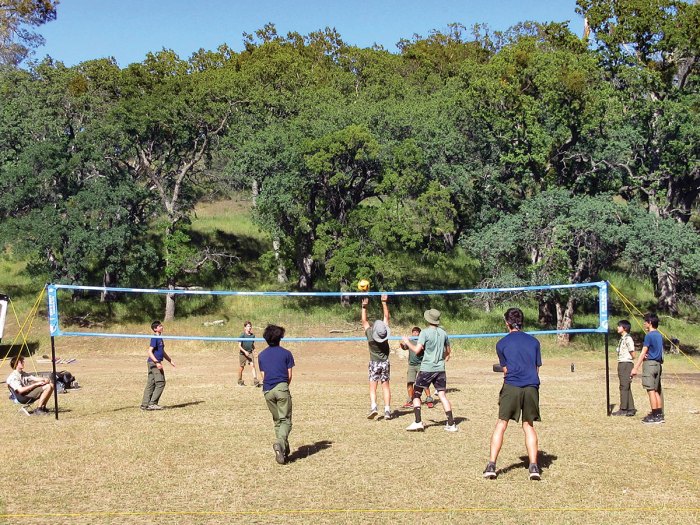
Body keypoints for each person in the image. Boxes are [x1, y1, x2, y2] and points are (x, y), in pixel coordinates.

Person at [483, 308, 542, 481]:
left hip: (512, 386)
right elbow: (536, 369)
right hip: (531, 386)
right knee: (528, 425)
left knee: (501, 424)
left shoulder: (502, 343)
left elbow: (506, 370)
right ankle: (533, 467)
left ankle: (491, 465)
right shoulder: (534, 342)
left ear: (507, 323)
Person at [401, 308, 457, 432]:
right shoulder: (443, 333)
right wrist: (442, 358)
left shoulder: (424, 333)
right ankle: (451, 423)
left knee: (416, 394)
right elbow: (448, 352)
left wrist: (407, 342)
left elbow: (416, 350)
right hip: (440, 369)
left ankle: (418, 422)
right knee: (442, 395)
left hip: (427, 368)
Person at [257, 324, 295, 465]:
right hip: (281, 387)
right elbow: (289, 375)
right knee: (286, 421)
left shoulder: (261, 356)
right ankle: (280, 443)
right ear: (281, 337)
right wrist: (283, 388)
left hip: (267, 390)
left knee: (277, 421)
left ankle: (284, 452)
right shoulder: (286, 353)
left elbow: (264, 376)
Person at [361, 294, 392, 420]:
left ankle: (374, 407)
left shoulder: (370, 335)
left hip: (374, 363)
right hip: (385, 362)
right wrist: (384, 302)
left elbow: (364, 321)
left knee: (373, 386)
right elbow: (386, 317)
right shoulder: (384, 336)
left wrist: (364, 307)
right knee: (385, 386)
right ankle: (387, 410)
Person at [631, 312, 664, 424]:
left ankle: (654, 416)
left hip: (650, 365)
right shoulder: (659, 335)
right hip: (658, 364)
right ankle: (659, 415)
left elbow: (643, 352)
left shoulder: (649, 335)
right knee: (656, 391)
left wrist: (635, 367)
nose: (644, 324)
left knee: (650, 391)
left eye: (645, 322)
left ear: (650, 323)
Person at [140, 320, 175, 411]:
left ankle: (145, 405)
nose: (162, 327)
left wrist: (170, 360)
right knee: (160, 383)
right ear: (155, 329)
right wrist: (157, 362)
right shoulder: (154, 338)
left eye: (161, 326)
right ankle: (152, 404)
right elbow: (149, 351)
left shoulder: (160, 338)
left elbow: (162, 352)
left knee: (151, 383)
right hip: (153, 363)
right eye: (160, 326)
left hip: (153, 362)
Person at [401, 327, 435, 409]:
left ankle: (429, 400)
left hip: (421, 365)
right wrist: (403, 343)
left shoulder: (422, 341)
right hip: (411, 365)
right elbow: (404, 347)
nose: (415, 334)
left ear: (419, 333)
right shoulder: (410, 341)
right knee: (409, 382)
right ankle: (410, 400)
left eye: (416, 332)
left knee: (424, 383)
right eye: (413, 332)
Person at [612, 320, 636, 416]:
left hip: (626, 363)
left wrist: (630, 359)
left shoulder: (628, 339)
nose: (617, 328)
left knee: (624, 386)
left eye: (619, 326)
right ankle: (631, 408)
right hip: (622, 362)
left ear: (624, 328)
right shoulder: (622, 339)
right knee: (626, 386)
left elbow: (633, 353)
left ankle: (623, 408)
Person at [237, 321, 260, 387]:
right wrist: (244, 352)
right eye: (248, 326)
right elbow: (239, 346)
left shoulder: (253, 336)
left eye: (250, 326)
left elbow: (252, 345)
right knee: (241, 367)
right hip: (242, 354)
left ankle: (255, 380)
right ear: (245, 328)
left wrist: (255, 351)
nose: (249, 327)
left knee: (252, 365)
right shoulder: (242, 335)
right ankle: (240, 380)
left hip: (249, 353)